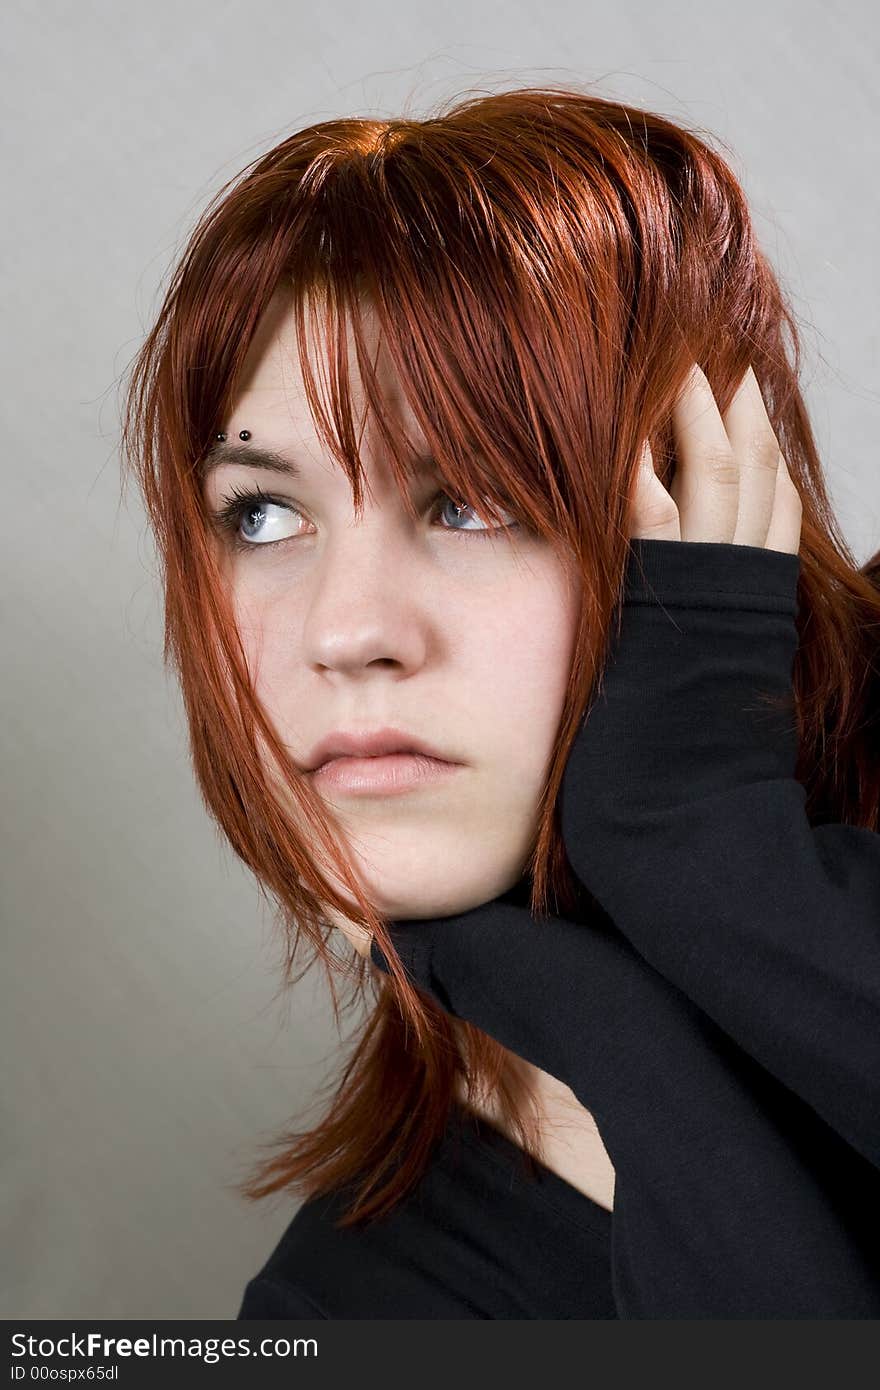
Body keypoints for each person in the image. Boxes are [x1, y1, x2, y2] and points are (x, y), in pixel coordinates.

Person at [119, 85, 880, 1317]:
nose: (348, 631)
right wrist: (626, 1046)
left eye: (468, 498)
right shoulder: (356, 1312)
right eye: (261, 514)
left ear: (699, 499)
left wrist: (704, 853)